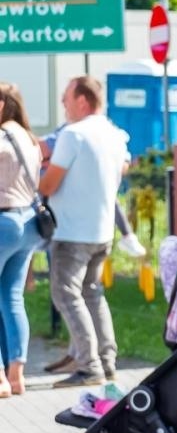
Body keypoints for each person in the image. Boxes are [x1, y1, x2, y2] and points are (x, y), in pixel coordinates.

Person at [38, 76, 130, 389]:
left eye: (66, 98)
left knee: (66, 294)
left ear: (82, 100)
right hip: (102, 229)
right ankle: (107, 361)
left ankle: (89, 366)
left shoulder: (73, 135)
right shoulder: (116, 135)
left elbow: (49, 184)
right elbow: (120, 172)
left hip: (72, 229)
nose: (63, 104)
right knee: (92, 293)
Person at [0, 83, 44, 398]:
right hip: (28, 224)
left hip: (2, 221)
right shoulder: (31, 140)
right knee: (12, 298)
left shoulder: (2, 139)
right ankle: (16, 375)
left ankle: (0, 381)